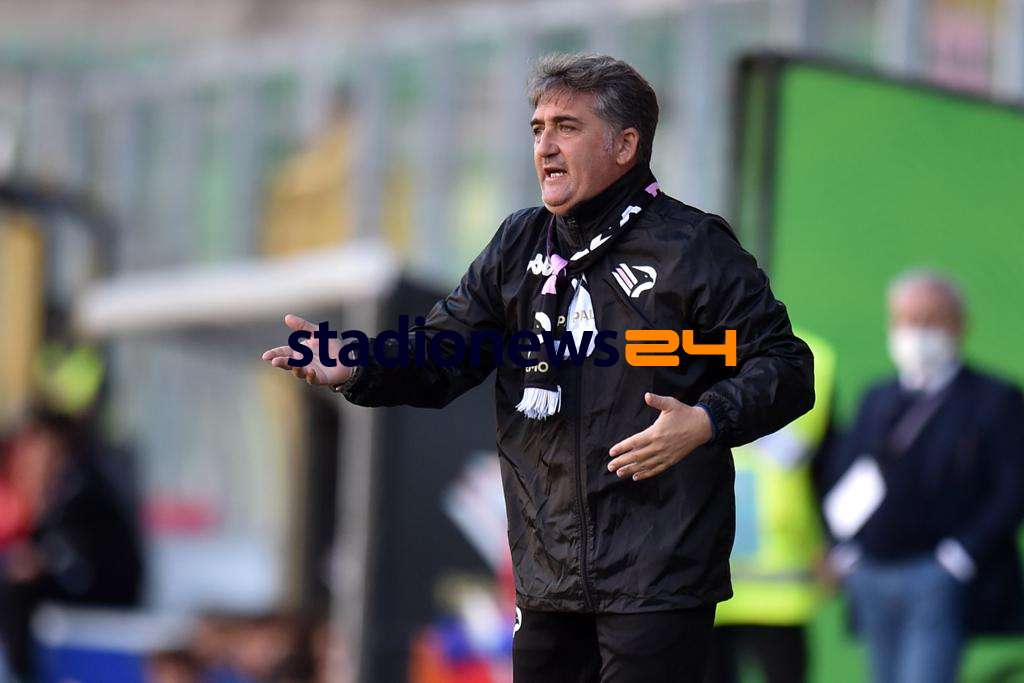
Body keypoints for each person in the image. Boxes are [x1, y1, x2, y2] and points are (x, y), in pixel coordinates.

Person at [262, 53, 814, 682]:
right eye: (537, 129)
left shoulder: (691, 248)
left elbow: (786, 365)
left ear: (625, 145)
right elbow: (445, 351)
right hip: (548, 572)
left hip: (658, 576)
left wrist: (706, 420)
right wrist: (361, 364)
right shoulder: (518, 244)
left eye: (567, 127)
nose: (545, 147)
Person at [822, 270, 1024, 683]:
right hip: (871, 572)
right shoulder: (877, 397)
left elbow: (1013, 489)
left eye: (931, 320)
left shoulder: (994, 399)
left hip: (937, 575)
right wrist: (844, 549)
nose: (917, 332)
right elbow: (844, 472)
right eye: (907, 320)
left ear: (958, 325)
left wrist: (959, 556)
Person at [705, 329, 836, 683]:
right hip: (703, 572)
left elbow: (828, 462)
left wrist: (835, 541)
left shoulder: (812, 356)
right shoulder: (675, 344)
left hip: (779, 577)